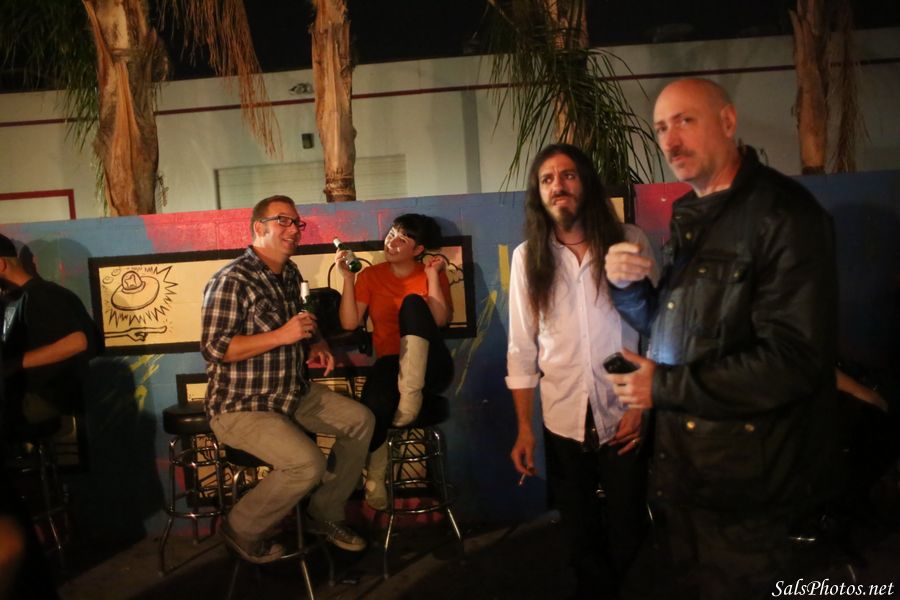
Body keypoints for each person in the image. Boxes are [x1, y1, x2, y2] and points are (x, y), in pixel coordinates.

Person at [604, 78, 839, 599]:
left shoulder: (784, 214)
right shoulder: (693, 213)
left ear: (728, 122)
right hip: (687, 476)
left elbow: (795, 359)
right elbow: (670, 330)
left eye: (684, 121)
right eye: (660, 128)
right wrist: (624, 287)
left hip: (748, 491)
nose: (670, 141)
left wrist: (662, 387)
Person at [505, 144, 657, 599]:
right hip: (562, 415)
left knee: (629, 523)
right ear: (538, 193)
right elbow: (521, 349)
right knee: (578, 528)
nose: (559, 185)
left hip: (624, 409)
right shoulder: (528, 257)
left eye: (568, 175)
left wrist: (642, 406)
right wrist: (524, 428)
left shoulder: (628, 240)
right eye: (547, 179)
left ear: (586, 181)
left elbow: (656, 328)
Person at [201, 195, 374, 563]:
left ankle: (323, 513)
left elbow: (301, 318)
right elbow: (216, 348)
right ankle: (241, 527)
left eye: (297, 223)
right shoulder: (232, 279)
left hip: (292, 395)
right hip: (242, 405)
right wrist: (282, 336)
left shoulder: (290, 274)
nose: (294, 229)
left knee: (361, 421)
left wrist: (317, 342)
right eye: (283, 221)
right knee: (307, 464)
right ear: (258, 227)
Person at [336, 214, 454, 511]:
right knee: (374, 403)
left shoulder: (432, 271)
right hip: (392, 362)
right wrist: (348, 279)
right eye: (391, 234)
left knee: (413, 304)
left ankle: (410, 393)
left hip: (431, 364)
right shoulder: (371, 276)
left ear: (418, 249)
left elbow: (440, 320)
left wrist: (431, 276)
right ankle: (375, 475)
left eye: (403, 239)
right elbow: (350, 322)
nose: (392, 242)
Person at [0, 234, 95, 435]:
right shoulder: (14, 300)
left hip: (43, 399)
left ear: (1, 264)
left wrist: (14, 364)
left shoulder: (43, 294)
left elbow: (77, 342)